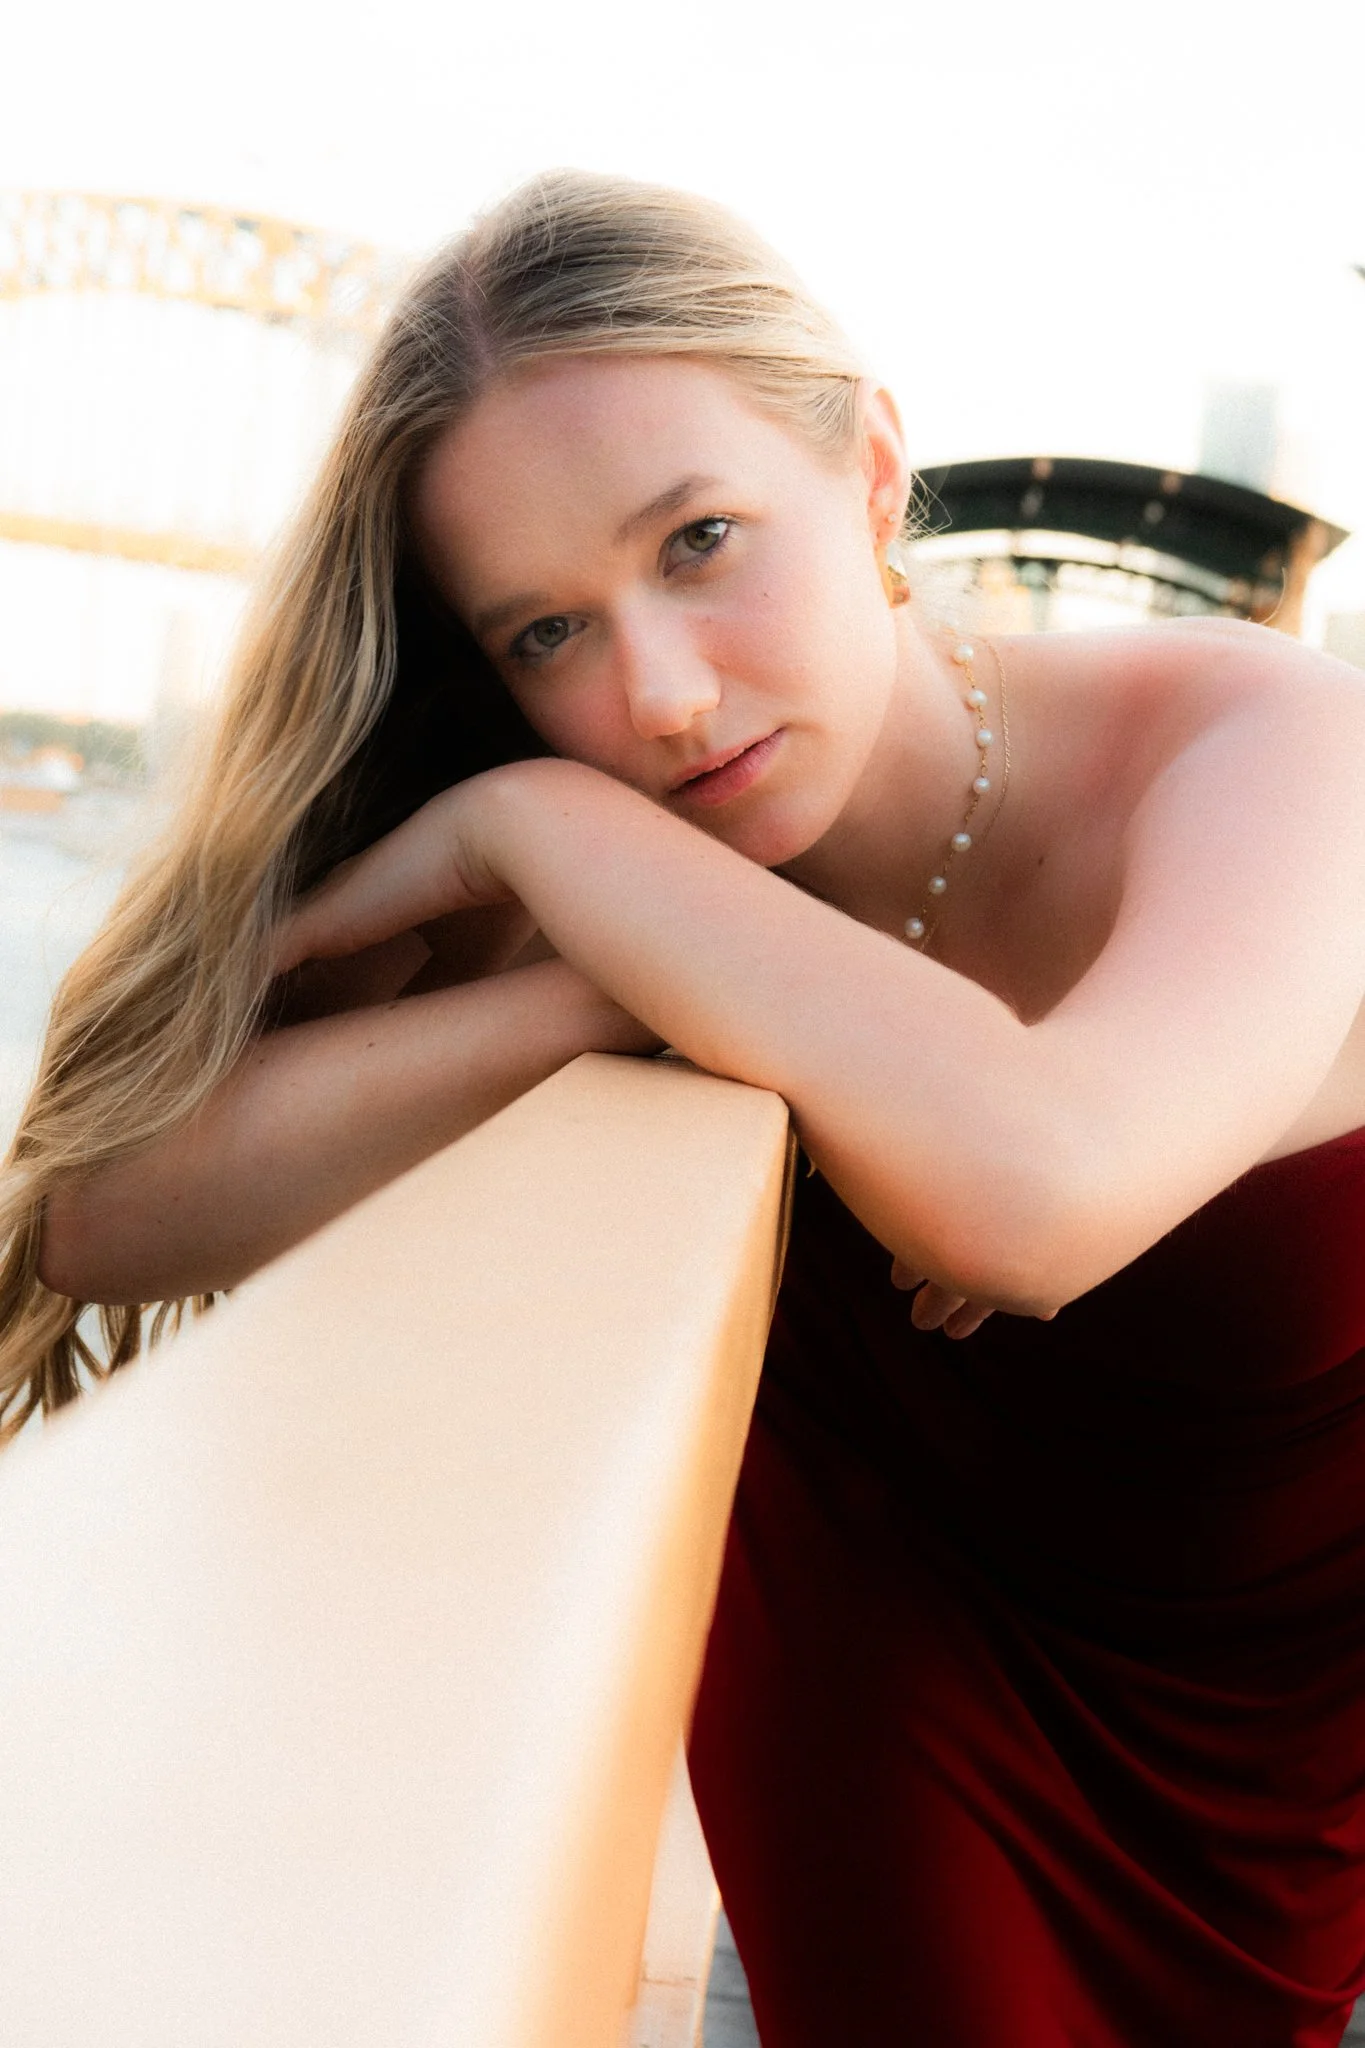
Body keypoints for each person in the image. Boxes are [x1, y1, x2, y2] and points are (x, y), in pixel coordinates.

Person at [5, 170, 1365, 2046]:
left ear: (876, 472)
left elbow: (1033, 1195)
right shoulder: (649, 883)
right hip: (901, 1686)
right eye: (542, 635)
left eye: (702, 539)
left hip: (1297, 1709)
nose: (654, 692)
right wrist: (605, 976)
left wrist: (538, 836)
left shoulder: (1270, 746)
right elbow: (105, 1207)